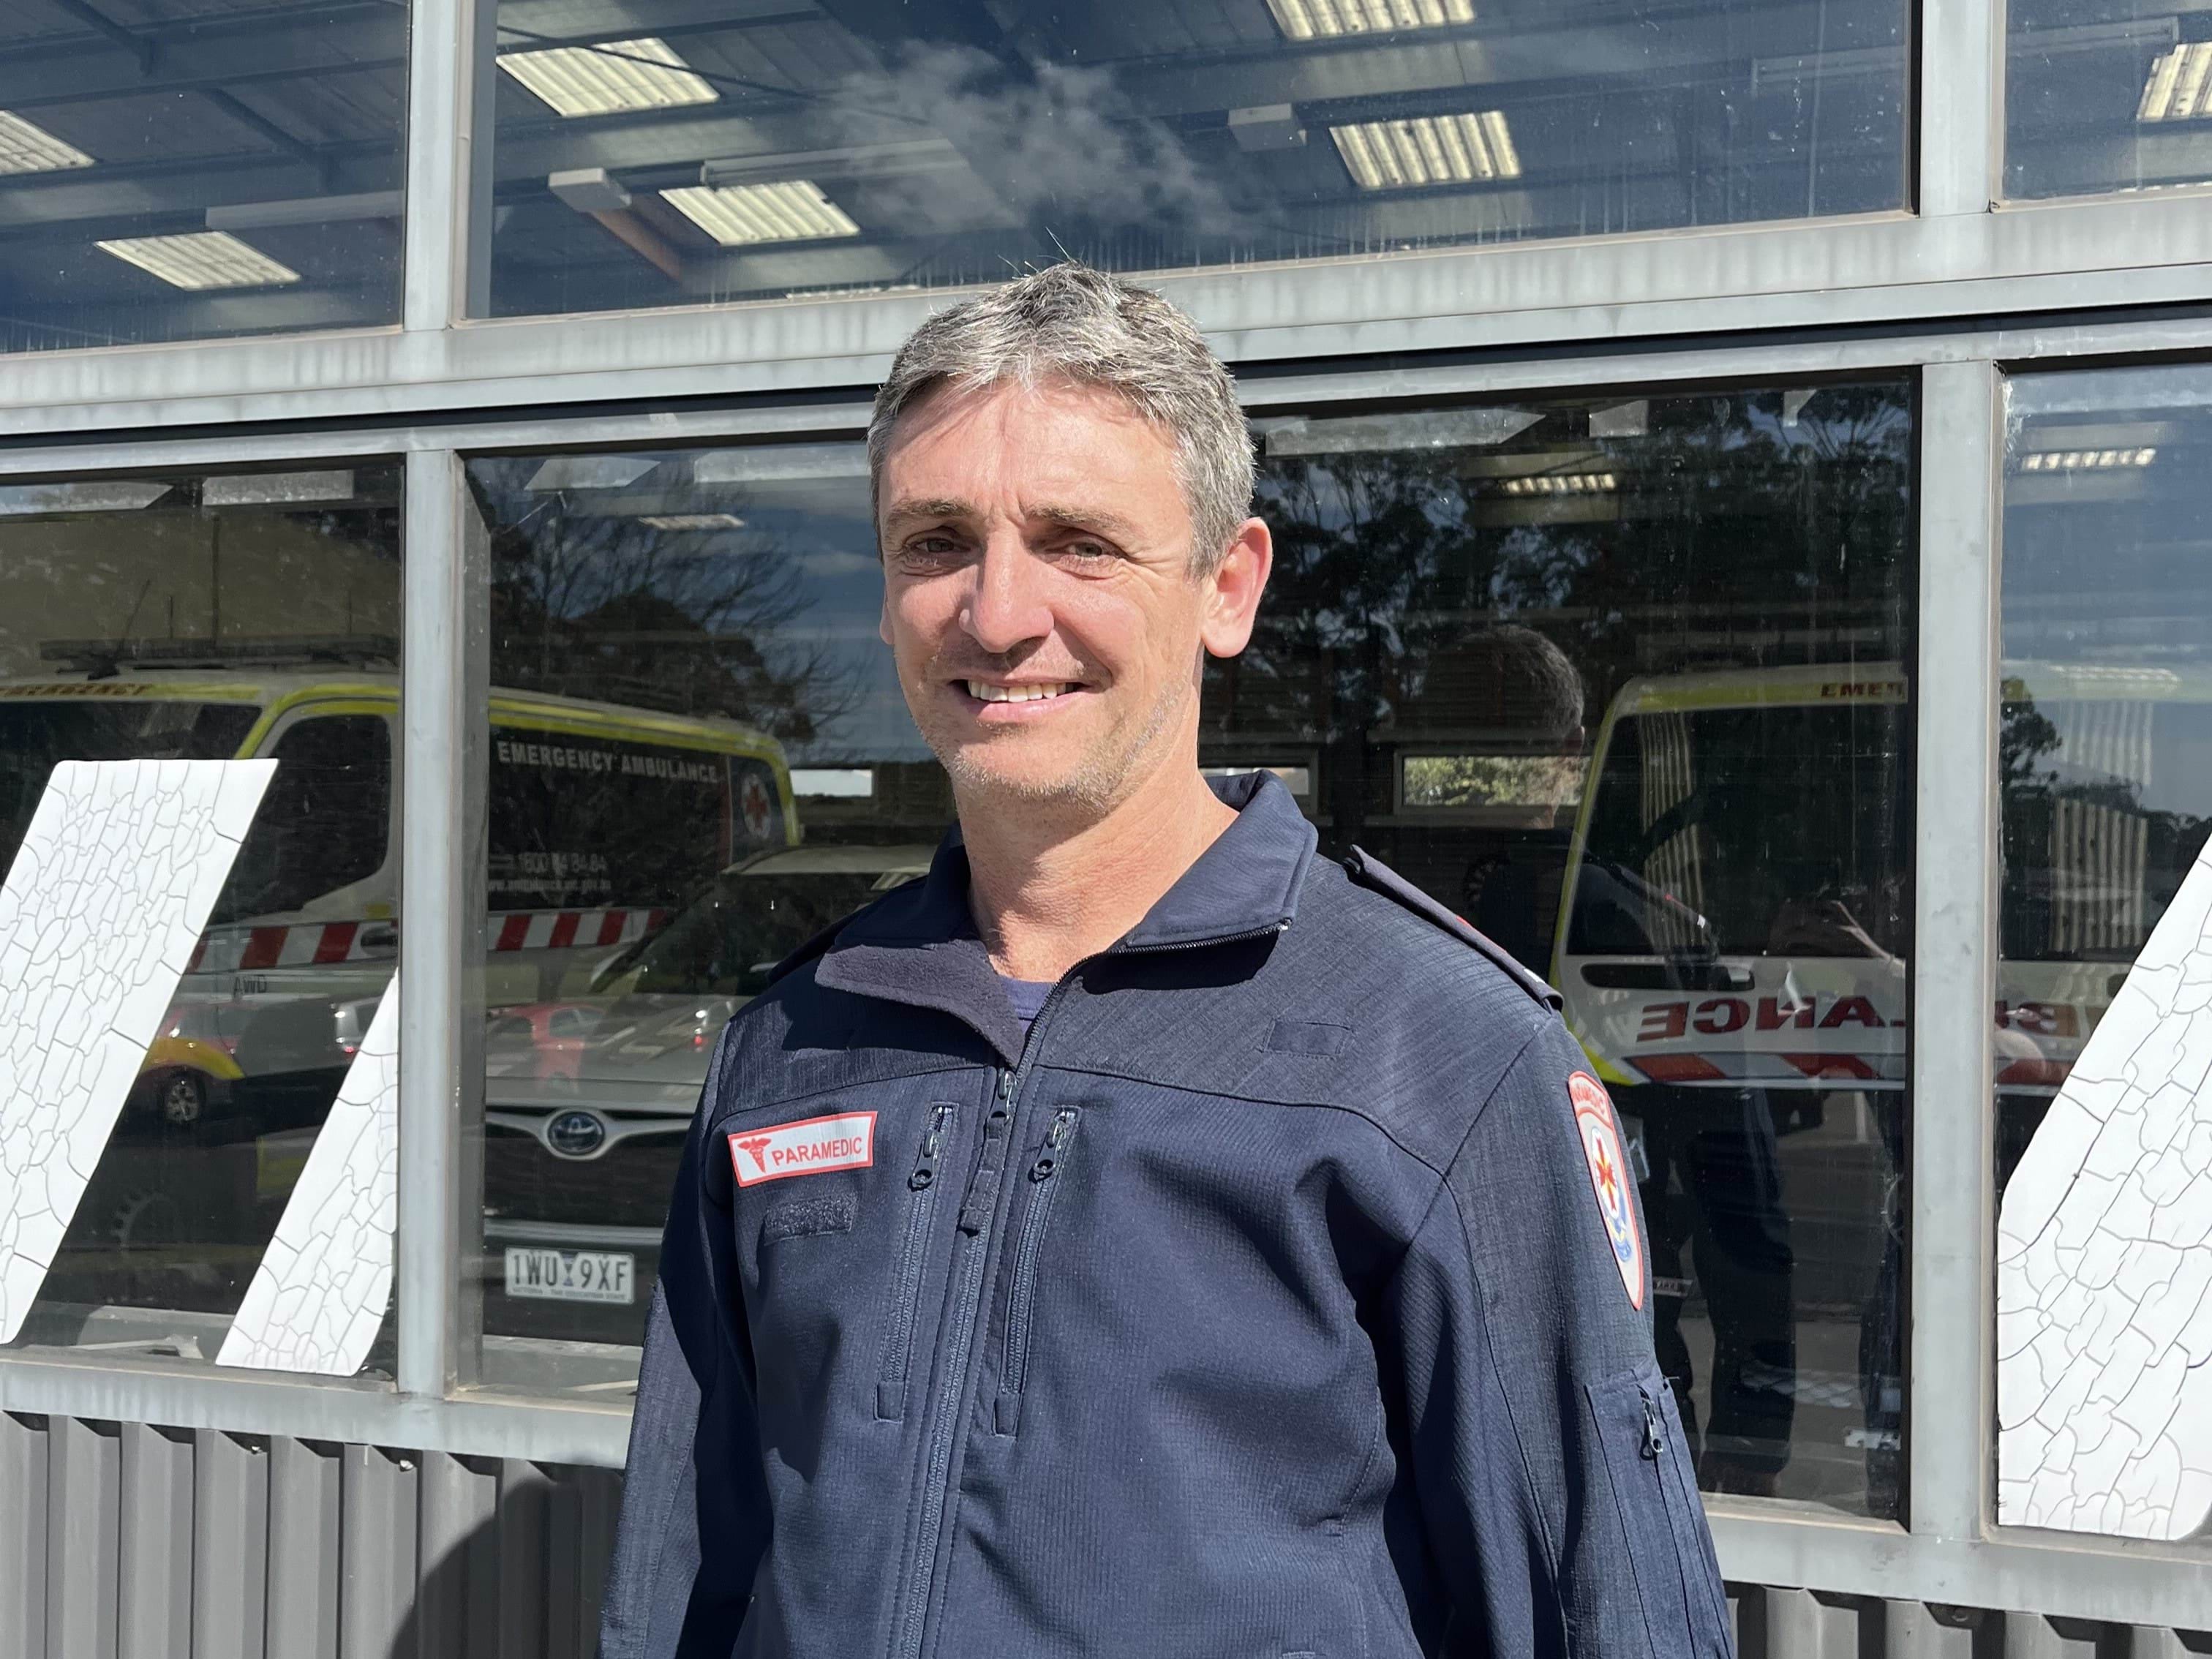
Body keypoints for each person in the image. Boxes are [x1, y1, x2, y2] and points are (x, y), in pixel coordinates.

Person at [598, 263, 1733, 1659]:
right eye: (937, 540)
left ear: (1227, 585)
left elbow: (1607, 1610)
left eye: (1079, 543)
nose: (999, 613)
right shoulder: (793, 1041)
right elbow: (686, 1574)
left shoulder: (1443, 1058)